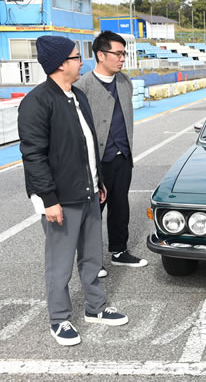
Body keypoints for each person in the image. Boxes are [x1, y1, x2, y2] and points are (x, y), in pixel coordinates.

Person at [18, 35, 128, 346]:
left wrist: (99, 181)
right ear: (60, 64)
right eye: (77, 57)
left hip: (89, 192)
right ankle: (59, 319)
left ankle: (96, 307)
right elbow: (33, 156)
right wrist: (48, 200)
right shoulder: (37, 102)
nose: (82, 62)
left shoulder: (77, 96)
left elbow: (88, 145)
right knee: (60, 263)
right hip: (60, 199)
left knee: (92, 257)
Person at [76, 31, 147, 277]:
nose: (122, 58)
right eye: (118, 53)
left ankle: (119, 251)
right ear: (101, 55)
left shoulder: (125, 82)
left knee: (120, 207)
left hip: (123, 156)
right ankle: (91, 261)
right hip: (96, 160)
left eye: (124, 53)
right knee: (93, 211)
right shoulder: (82, 86)